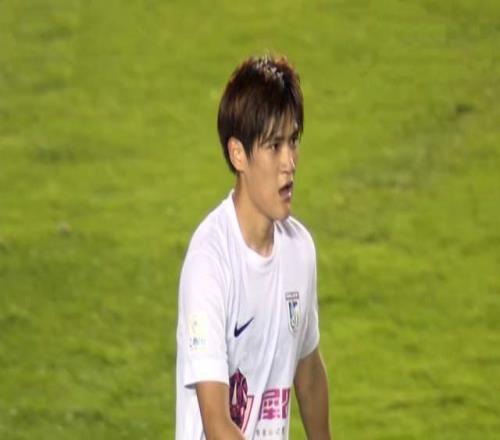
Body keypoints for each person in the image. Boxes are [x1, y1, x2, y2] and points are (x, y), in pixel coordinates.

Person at [175, 54, 331, 439]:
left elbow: (309, 374)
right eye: (274, 145)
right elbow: (216, 423)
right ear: (238, 154)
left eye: (293, 141)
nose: (289, 162)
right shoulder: (210, 263)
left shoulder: (299, 251)